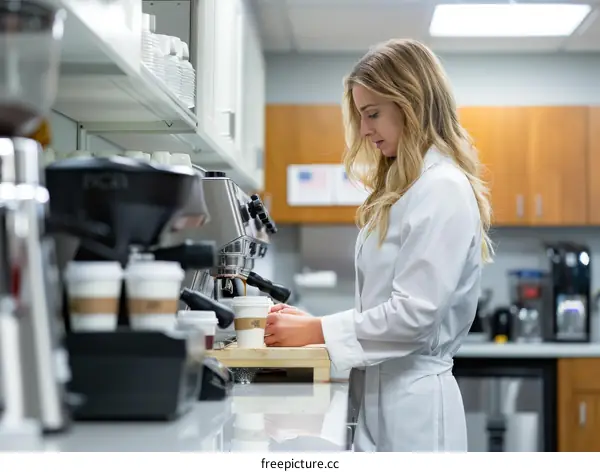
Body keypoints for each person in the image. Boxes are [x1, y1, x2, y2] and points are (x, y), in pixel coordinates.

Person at [264, 38, 493, 452]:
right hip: (381, 402)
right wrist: (315, 329)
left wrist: (316, 329)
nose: (365, 129)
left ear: (412, 104)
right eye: (360, 115)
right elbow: (385, 306)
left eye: (373, 114)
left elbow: (414, 317)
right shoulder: (409, 189)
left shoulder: (442, 189)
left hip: (417, 415)